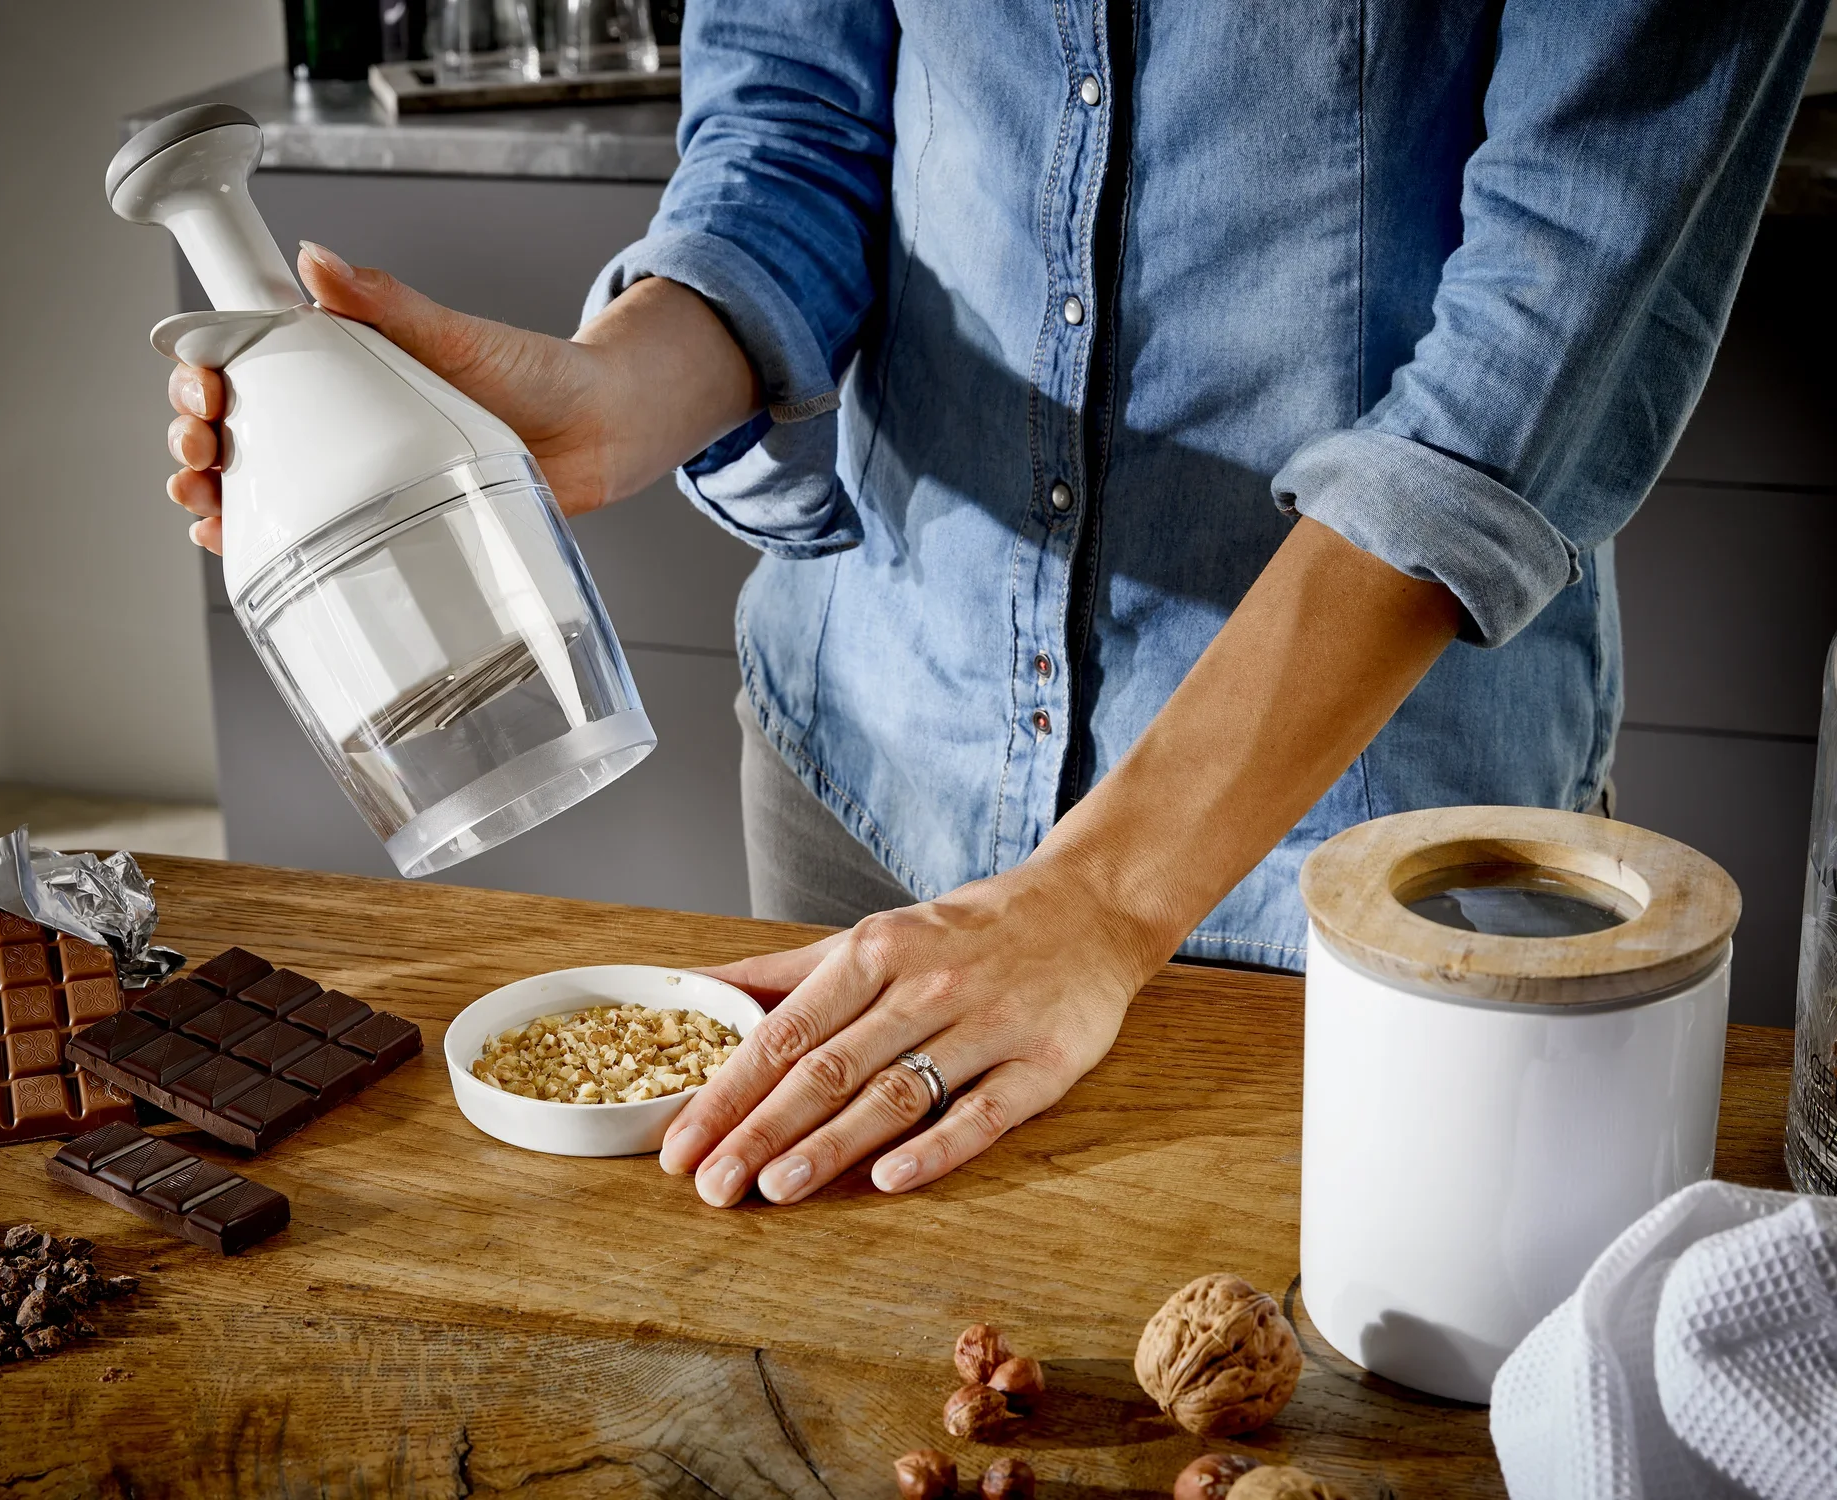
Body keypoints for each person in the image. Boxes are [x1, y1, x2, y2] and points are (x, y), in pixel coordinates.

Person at [164, 2, 1822, 1209]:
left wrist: (1095, 904)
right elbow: (794, 128)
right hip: (878, 771)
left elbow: (1531, 367)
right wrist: (610, 395)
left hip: (1367, 869)